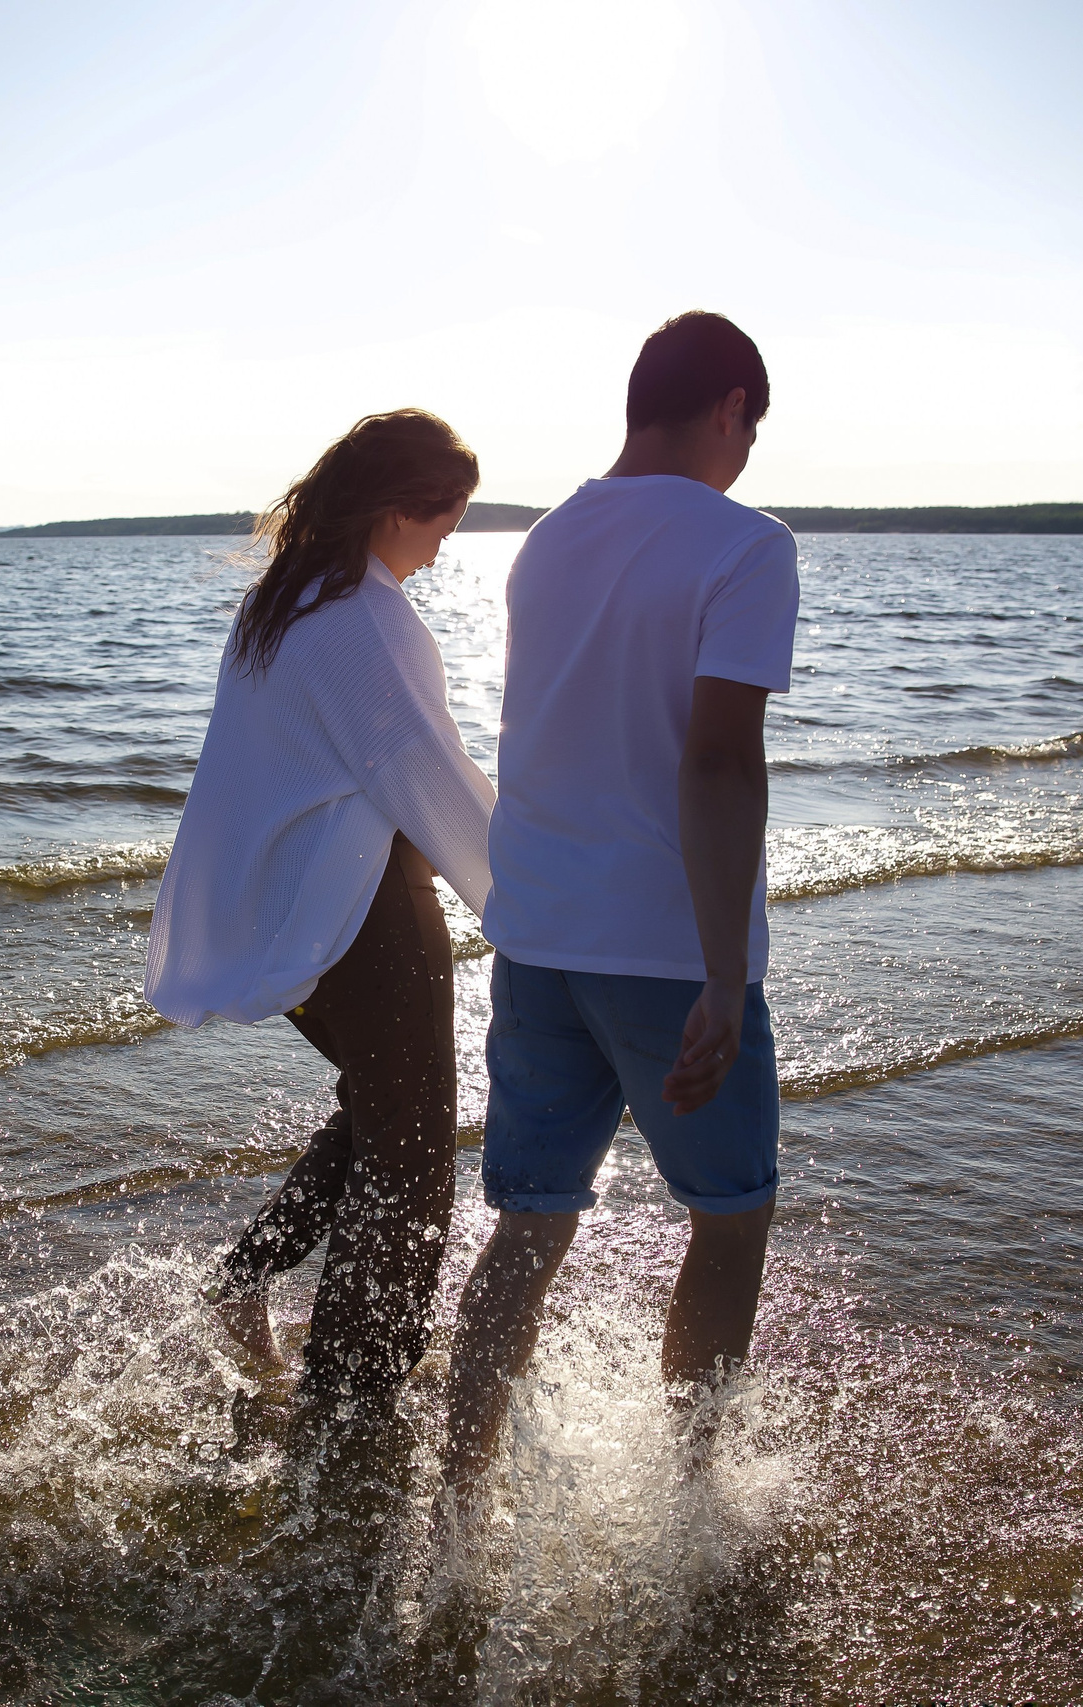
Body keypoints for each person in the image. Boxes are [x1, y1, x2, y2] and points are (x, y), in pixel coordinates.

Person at [441, 312, 798, 1483]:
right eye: (753, 426)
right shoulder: (746, 545)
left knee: (529, 1229)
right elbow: (717, 762)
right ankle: (690, 1496)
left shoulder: (547, 538)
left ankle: (454, 1500)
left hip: (536, 937)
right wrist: (723, 974)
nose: (748, 450)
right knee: (730, 1216)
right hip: (660, 951)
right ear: (728, 406)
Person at [144, 408, 495, 1403]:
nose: (437, 555)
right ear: (396, 512)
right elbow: (426, 776)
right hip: (358, 914)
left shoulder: (291, 602)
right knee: (416, 1141)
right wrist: (540, 905)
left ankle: (248, 1280)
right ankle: (353, 1383)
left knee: (384, 1114)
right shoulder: (361, 617)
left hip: (299, 918)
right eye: (439, 529)